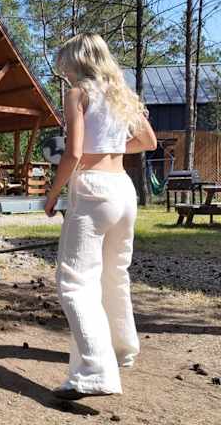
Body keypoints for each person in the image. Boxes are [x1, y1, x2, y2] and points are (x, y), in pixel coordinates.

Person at [44, 33, 157, 400]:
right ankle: (122, 349)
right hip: (123, 189)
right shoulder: (121, 93)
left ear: (78, 61)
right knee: (114, 274)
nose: (63, 70)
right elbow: (148, 142)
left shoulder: (78, 93)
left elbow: (73, 153)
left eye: (65, 63)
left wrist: (53, 194)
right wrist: (111, 146)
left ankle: (95, 372)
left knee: (74, 281)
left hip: (92, 189)